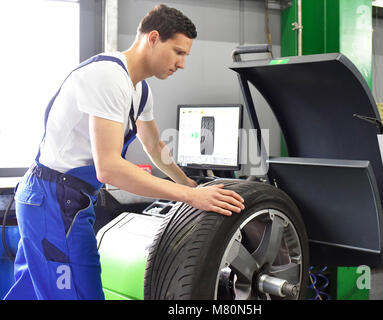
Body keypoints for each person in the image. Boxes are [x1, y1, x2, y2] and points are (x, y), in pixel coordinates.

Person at [4, 4, 244, 300]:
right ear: (153, 38)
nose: (182, 64)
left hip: (68, 199)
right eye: (178, 52)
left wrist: (190, 184)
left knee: (32, 293)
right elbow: (109, 168)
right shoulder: (108, 76)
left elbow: (154, 147)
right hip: (53, 200)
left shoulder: (139, 90)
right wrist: (191, 197)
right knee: (79, 294)